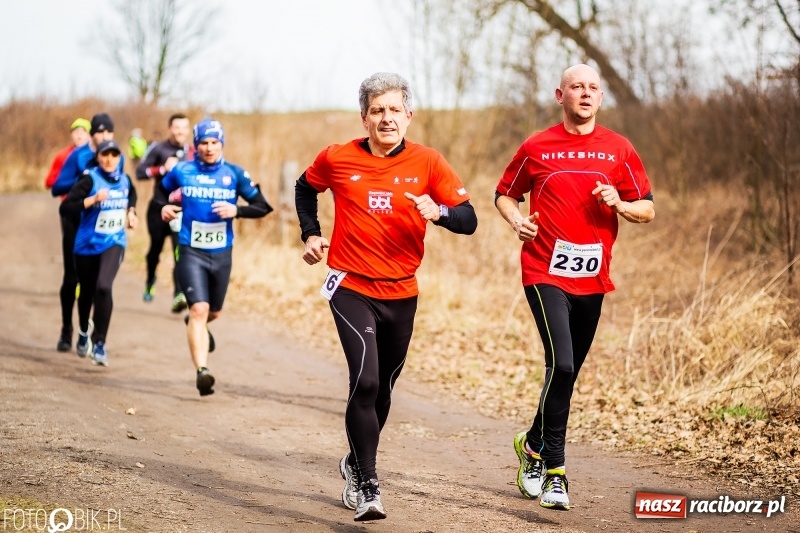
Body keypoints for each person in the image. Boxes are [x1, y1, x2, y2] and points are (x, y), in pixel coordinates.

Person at [295, 72, 477, 522]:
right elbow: (305, 187)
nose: (386, 118)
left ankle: (355, 460)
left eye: (395, 109)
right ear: (364, 118)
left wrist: (441, 212)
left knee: (384, 392)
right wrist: (312, 233)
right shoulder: (337, 158)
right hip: (351, 285)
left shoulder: (429, 161)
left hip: (402, 291)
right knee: (367, 380)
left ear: (408, 116)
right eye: (377, 110)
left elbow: (470, 219)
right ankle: (370, 483)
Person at [494, 64, 655, 511]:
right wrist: (516, 221)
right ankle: (556, 472)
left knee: (565, 372)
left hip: (592, 277)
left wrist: (620, 203)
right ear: (559, 94)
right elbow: (505, 193)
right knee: (561, 365)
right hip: (544, 270)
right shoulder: (537, 146)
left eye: (592, 88)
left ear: (600, 98)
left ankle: (530, 443)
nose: (585, 93)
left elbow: (648, 209)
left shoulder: (619, 149)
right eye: (576, 87)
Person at [158, 118, 272, 396]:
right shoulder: (182, 171)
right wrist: (164, 207)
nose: (209, 148)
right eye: (203, 143)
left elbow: (263, 207)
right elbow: (160, 192)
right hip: (190, 250)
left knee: (214, 311)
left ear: (221, 144)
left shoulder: (234, 174)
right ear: (195, 146)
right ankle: (202, 371)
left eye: (214, 143)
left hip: (221, 253)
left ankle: (196, 323)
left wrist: (237, 211)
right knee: (199, 309)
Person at [59, 140, 138, 366]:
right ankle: (84, 329)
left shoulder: (124, 179)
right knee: (86, 292)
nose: (109, 159)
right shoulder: (89, 179)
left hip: (114, 241)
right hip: (86, 245)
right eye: (105, 155)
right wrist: (92, 200)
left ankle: (100, 343)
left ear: (119, 158)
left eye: (114, 155)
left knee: (104, 286)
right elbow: (65, 208)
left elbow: (131, 195)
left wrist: (131, 212)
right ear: (99, 157)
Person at [50, 113, 116, 353]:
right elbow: (56, 186)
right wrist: (84, 179)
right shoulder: (78, 156)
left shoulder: (113, 156)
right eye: (100, 132)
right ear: (91, 134)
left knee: (101, 283)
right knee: (72, 278)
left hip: (102, 227)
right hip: (75, 221)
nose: (104, 137)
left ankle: (95, 337)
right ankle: (66, 329)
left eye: (109, 132)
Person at [136, 113, 193, 312]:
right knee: (155, 250)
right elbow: (140, 172)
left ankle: (179, 293)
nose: (180, 132)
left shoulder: (192, 151)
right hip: (158, 209)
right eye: (176, 128)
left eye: (184, 128)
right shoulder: (158, 148)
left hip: (181, 211)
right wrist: (161, 169)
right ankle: (150, 279)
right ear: (170, 129)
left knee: (180, 251)